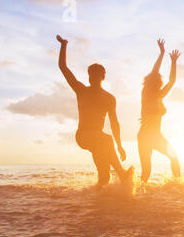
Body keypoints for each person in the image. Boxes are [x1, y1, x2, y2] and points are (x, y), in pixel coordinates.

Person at [56, 35, 132, 188]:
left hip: (99, 140)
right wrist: (63, 46)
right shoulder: (81, 91)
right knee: (106, 139)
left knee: (104, 178)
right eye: (90, 75)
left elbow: (114, 123)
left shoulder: (110, 98)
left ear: (103, 77)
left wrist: (120, 146)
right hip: (83, 136)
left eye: (96, 76)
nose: (92, 78)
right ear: (88, 76)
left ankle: (95, 202)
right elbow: (63, 68)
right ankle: (122, 174)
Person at [137, 39, 181, 183]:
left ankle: (178, 186)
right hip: (145, 136)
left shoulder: (160, 95)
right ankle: (133, 195)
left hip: (156, 135)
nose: (157, 80)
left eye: (158, 80)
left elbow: (172, 81)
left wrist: (174, 62)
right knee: (147, 171)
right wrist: (161, 53)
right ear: (149, 82)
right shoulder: (146, 94)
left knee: (173, 156)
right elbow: (155, 71)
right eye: (155, 79)